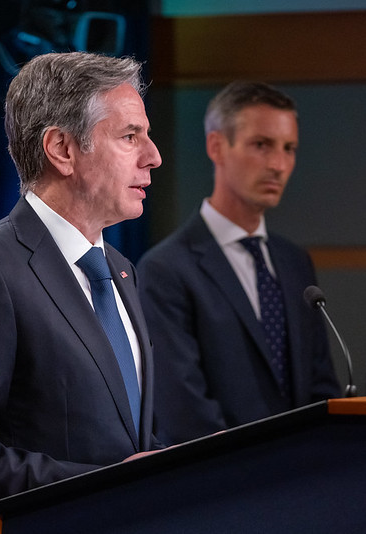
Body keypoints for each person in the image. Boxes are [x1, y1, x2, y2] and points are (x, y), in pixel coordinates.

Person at [0, 52, 162, 534]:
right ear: (62, 149)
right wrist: (110, 484)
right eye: (130, 136)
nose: (153, 155)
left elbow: (129, 437)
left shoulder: (122, 273)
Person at [137, 81, 341, 446]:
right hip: (222, 484)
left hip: (305, 479)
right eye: (261, 145)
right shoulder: (166, 270)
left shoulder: (294, 262)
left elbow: (321, 385)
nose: (279, 165)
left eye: (289, 149)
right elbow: (184, 412)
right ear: (217, 146)